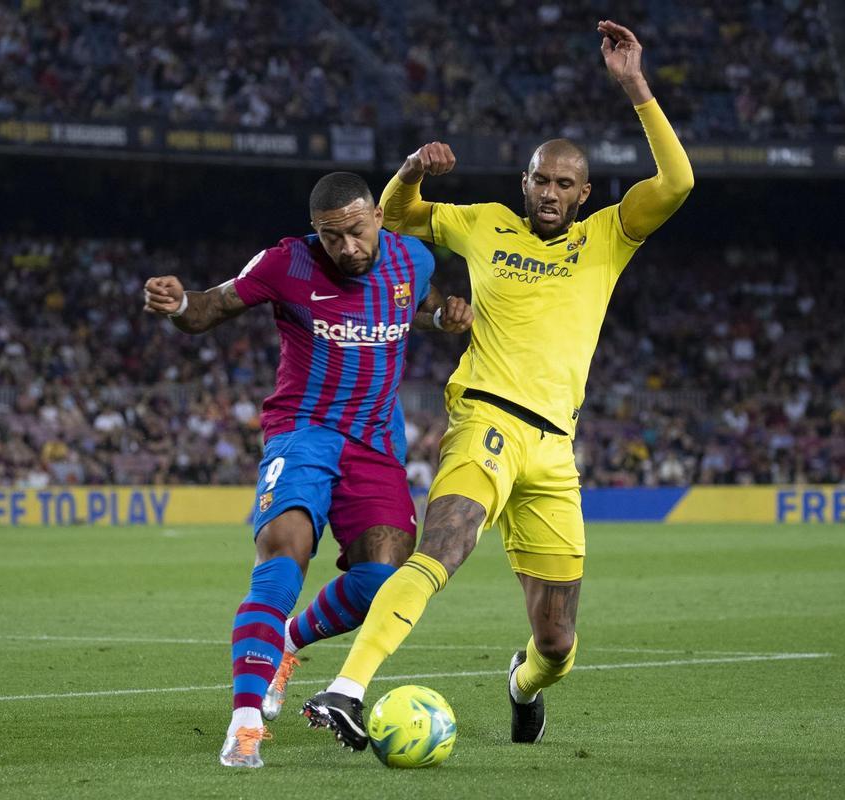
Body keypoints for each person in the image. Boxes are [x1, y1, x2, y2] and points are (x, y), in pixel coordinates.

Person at [303, 20, 693, 749]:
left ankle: (521, 686)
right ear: (525, 184)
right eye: (540, 180)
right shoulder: (483, 223)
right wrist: (414, 166)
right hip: (484, 419)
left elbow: (678, 182)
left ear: (583, 194)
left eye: (564, 184)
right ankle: (346, 689)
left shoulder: (609, 237)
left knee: (556, 642)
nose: (549, 192)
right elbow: (396, 218)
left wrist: (635, 86)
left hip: (553, 451)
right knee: (441, 549)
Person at [142, 172, 472, 769]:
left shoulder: (414, 258)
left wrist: (440, 321)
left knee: (382, 584)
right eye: (331, 236)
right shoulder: (285, 263)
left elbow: (411, 310)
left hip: (375, 443)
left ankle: (286, 645)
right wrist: (178, 304)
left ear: (376, 216)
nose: (346, 248)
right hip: (304, 434)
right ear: (315, 230)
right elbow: (207, 310)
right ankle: (244, 726)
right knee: (283, 556)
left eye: (355, 232)